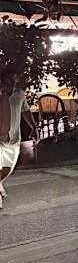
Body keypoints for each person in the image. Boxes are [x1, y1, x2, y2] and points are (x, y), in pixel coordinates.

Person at [0, 66, 36, 210]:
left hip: (14, 139)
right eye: (9, 79)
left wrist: (34, 127)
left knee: (8, 168)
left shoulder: (20, 94)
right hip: (0, 138)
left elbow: (26, 112)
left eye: (14, 79)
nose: (12, 82)